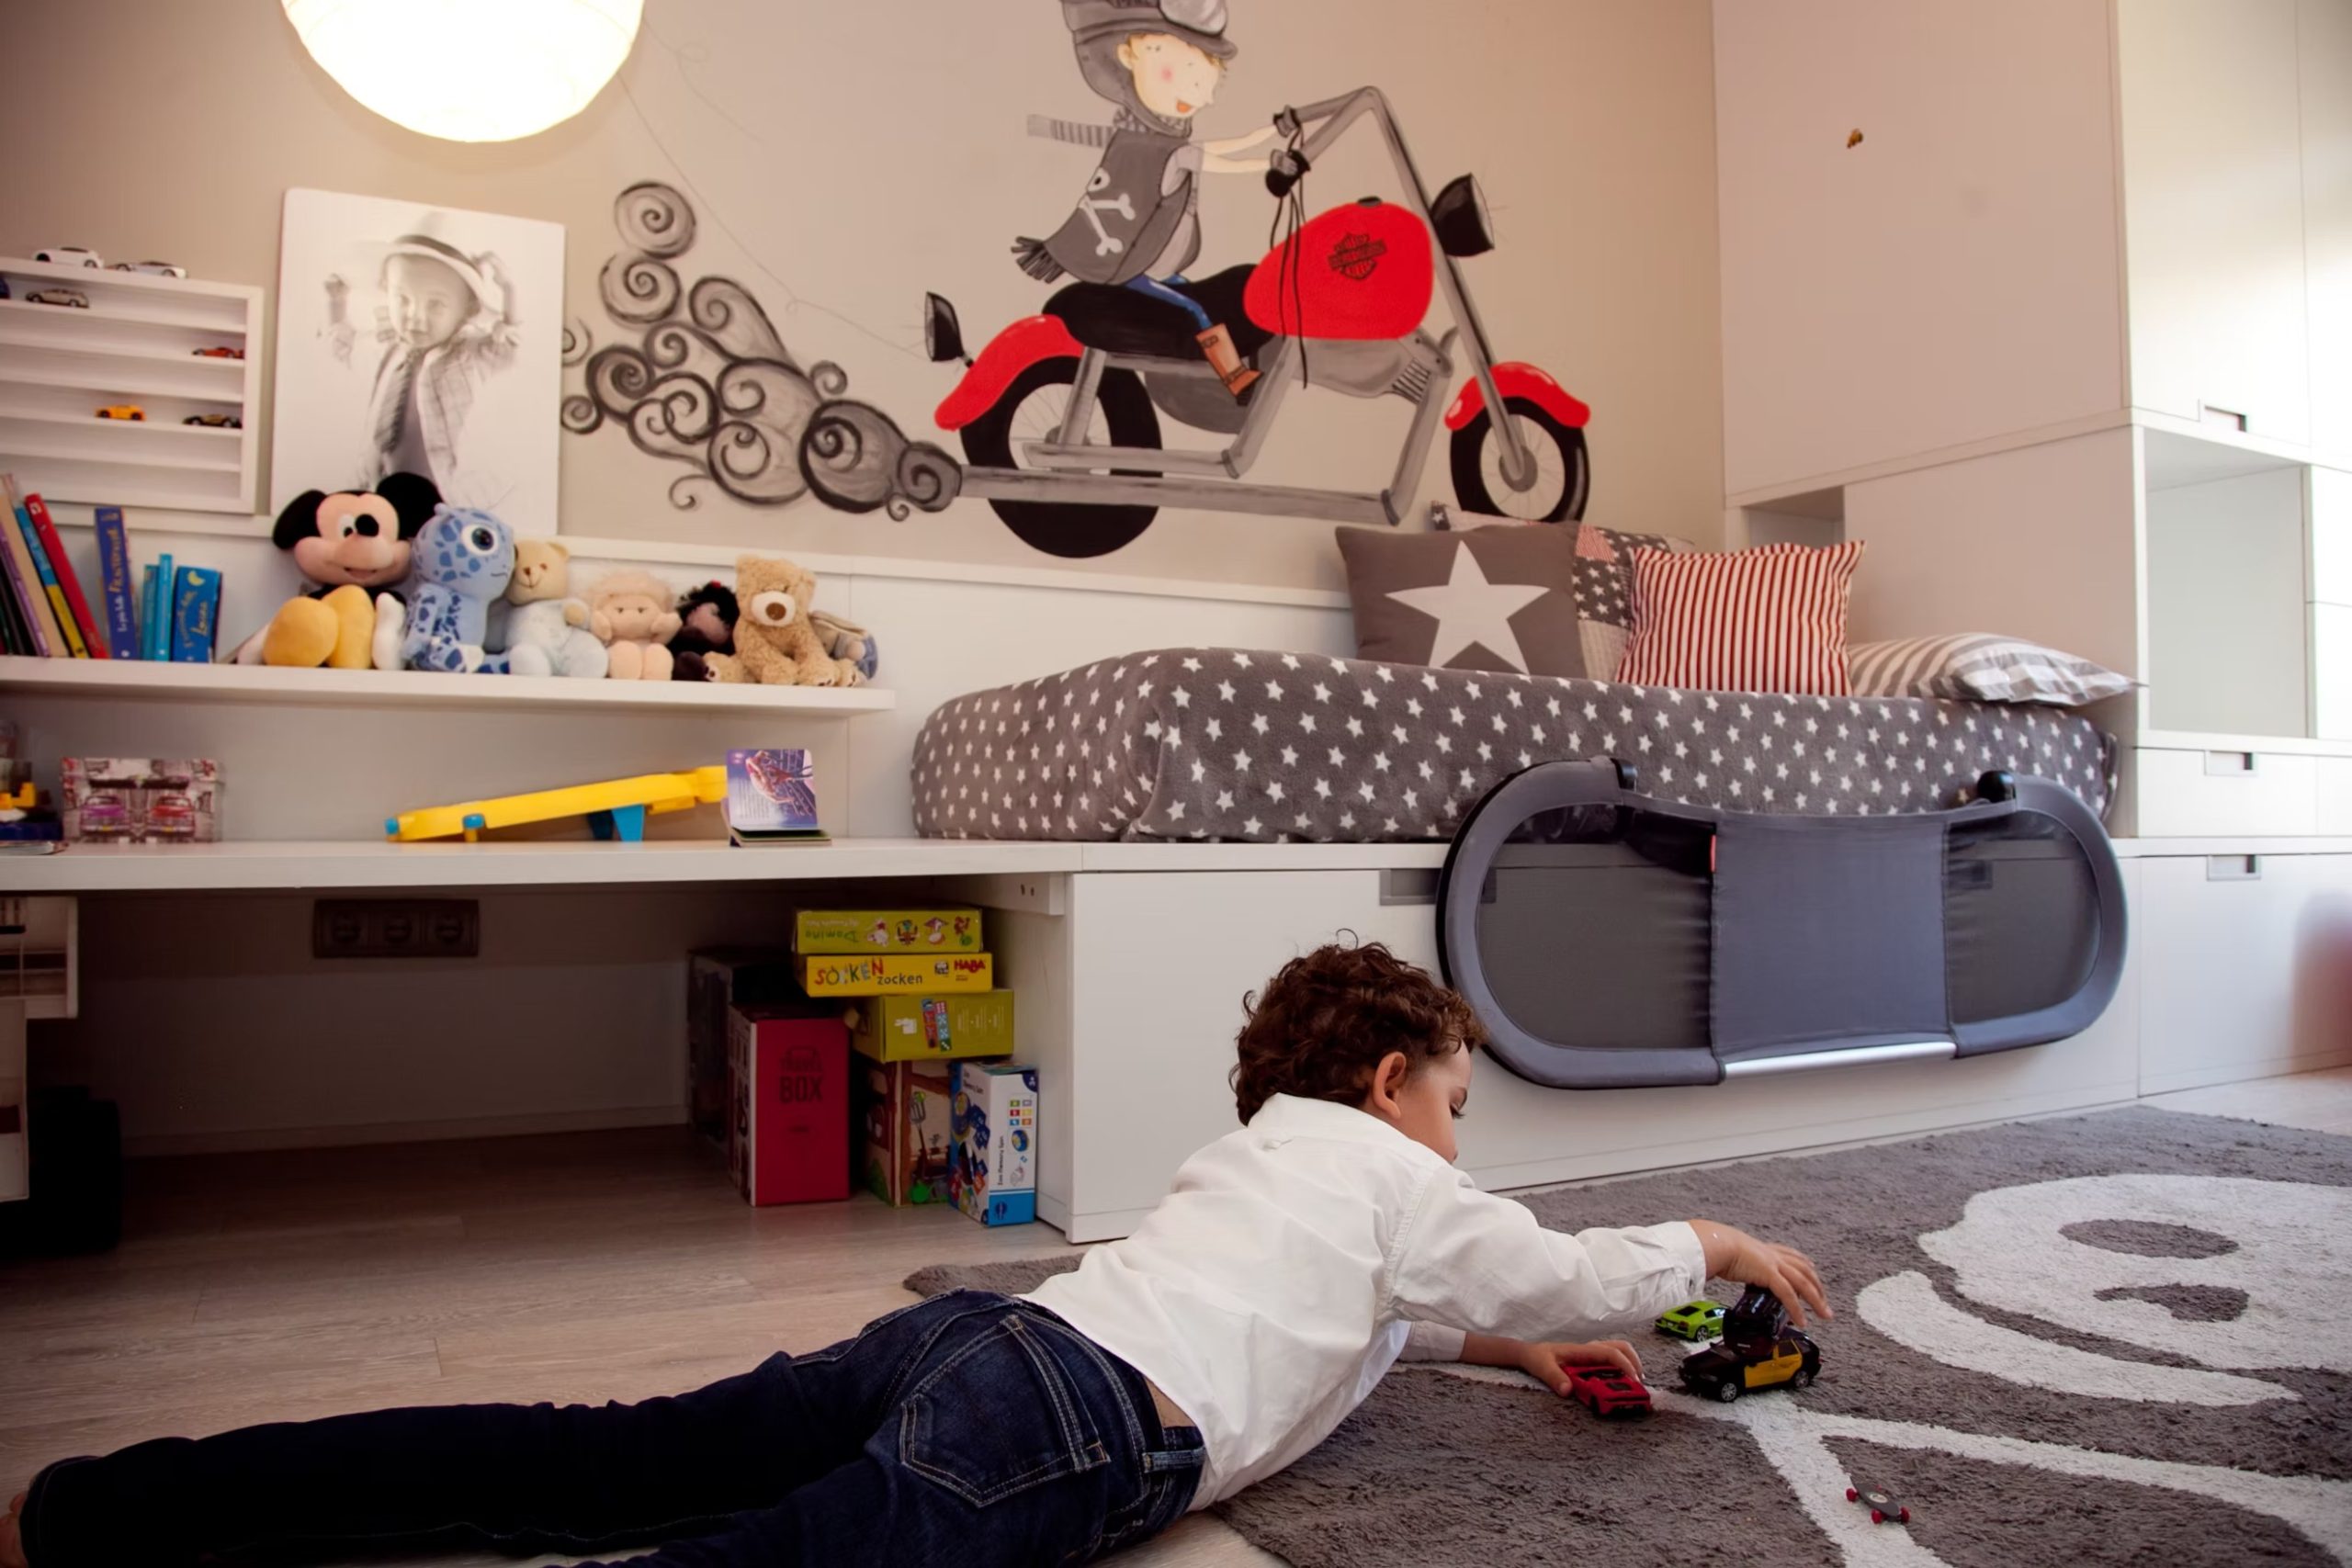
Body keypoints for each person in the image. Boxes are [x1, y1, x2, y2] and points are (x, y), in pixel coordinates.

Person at [0, 943, 1828, 1567]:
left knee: (591, 1456)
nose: (1457, 1142)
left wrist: (1506, 1356)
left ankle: (91, 1508)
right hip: (1068, 1425)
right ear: (1384, 1082)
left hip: (978, 1346)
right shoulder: (1386, 1165)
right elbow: (1526, 1263)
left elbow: (1369, 1312)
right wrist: (1711, 1238)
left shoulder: (1265, 1165)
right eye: (1455, 1107)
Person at [1013, 0, 1291, 399]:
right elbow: (1222, 159)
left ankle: (1228, 379)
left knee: (1192, 295)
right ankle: (1236, 380)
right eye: (1180, 71)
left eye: (1206, 81)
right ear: (1129, 55)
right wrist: (1268, 161)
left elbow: (1223, 146)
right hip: (1134, 269)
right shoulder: (1162, 150)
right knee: (1195, 309)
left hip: (1152, 268)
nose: (1201, 96)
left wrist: (1273, 131)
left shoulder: (1148, 140)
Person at [323, 225, 519, 498]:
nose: (415, 316)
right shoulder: (388, 348)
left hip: (437, 493)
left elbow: (510, 345)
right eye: (402, 299)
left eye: (436, 304)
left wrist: (509, 293)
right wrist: (337, 303)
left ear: (468, 309)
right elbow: (345, 349)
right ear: (386, 291)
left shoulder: (466, 355)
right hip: (377, 487)